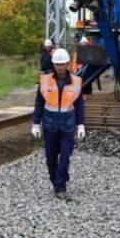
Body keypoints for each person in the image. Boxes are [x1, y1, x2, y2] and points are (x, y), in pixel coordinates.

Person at [31, 48, 86, 201]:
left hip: (68, 125)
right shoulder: (45, 81)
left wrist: (81, 124)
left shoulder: (76, 82)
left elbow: (80, 105)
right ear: (53, 64)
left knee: (65, 156)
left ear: (67, 64)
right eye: (57, 64)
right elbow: (39, 104)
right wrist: (36, 123)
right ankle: (56, 181)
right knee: (50, 158)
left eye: (62, 64)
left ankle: (61, 187)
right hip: (50, 125)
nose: (59, 67)